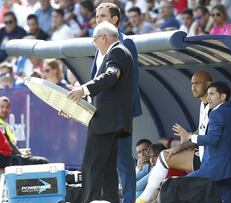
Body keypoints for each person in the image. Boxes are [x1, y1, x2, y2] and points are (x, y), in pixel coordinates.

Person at [67, 21, 133, 203]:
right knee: (107, 171)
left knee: (91, 169)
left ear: (103, 38)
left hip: (106, 123)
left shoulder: (117, 51)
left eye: (95, 40)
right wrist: (73, 105)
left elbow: (111, 75)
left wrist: (83, 89)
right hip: (111, 122)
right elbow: (105, 93)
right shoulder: (117, 52)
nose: (95, 45)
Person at [136, 71, 213, 203]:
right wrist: (186, 139)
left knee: (166, 165)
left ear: (208, 84)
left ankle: (143, 200)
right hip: (201, 154)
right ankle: (142, 200)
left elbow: (206, 135)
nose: (193, 87)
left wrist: (185, 141)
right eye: (192, 83)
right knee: (165, 158)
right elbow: (201, 130)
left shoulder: (214, 106)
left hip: (209, 158)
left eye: (197, 83)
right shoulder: (203, 104)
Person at [94, 3, 142, 203]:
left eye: (103, 16)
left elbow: (131, 80)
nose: (98, 20)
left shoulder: (126, 43)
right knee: (106, 161)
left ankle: (129, 200)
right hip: (102, 114)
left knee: (123, 161)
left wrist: (125, 112)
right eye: (97, 16)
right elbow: (96, 78)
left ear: (115, 19)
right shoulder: (98, 43)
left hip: (120, 115)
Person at [173, 81, 231, 203]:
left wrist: (190, 136)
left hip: (214, 169)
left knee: (178, 186)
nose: (208, 97)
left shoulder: (217, 113)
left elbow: (213, 139)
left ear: (223, 97)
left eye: (212, 94)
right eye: (207, 94)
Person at [0, 96, 48, 169]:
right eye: (2, 107)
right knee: (42, 162)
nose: (4, 110)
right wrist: (20, 153)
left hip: (10, 157)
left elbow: (7, 146)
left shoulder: (4, 123)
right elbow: (8, 144)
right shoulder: (1, 124)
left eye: (7, 107)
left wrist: (19, 151)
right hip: (8, 160)